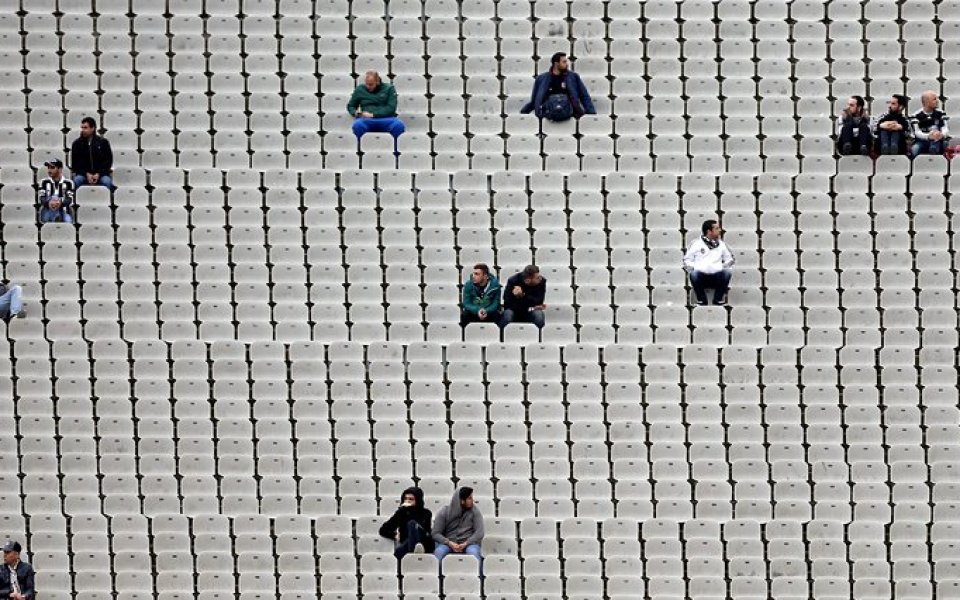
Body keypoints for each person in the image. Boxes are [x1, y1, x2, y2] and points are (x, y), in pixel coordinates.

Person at [520, 52, 596, 122]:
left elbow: (584, 95)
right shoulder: (541, 79)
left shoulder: (573, 77)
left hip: (570, 116)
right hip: (548, 117)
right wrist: (523, 112)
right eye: (564, 62)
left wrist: (591, 114)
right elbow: (535, 100)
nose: (567, 64)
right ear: (556, 63)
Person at [683, 220, 736, 307]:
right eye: (717, 228)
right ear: (709, 231)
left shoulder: (722, 244)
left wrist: (720, 267)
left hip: (716, 277)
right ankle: (702, 300)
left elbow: (730, 260)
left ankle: (717, 299)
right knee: (694, 274)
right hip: (701, 277)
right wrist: (697, 267)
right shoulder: (696, 244)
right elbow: (686, 260)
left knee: (727, 273)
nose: (720, 230)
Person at [432, 487, 484, 574]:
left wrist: (466, 543)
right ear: (462, 500)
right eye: (469, 498)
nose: (472, 500)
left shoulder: (475, 511)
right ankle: (437, 579)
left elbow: (479, 532)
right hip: (448, 543)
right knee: (439, 552)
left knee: (474, 553)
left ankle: (479, 579)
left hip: (468, 543)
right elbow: (435, 533)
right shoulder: (444, 511)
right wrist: (449, 543)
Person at [347, 71, 405, 143]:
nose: (368, 87)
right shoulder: (360, 89)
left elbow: (391, 108)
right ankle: (360, 149)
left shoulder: (389, 88)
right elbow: (351, 106)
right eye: (366, 84)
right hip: (366, 120)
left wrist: (373, 115)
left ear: (377, 82)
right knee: (358, 125)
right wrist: (355, 113)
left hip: (386, 119)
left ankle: (396, 151)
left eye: (371, 85)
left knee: (398, 125)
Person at [378, 487, 435, 560]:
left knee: (412, 524)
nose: (407, 501)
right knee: (398, 551)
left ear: (417, 500)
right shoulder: (401, 512)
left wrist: (410, 511)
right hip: (407, 543)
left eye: (411, 499)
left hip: (423, 542)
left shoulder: (426, 513)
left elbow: (424, 529)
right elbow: (383, 530)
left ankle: (413, 552)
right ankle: (413, 551)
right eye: (405, 498)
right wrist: (394, 535)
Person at [70, 116, 114, 190]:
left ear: (93, 128)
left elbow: (108, 161)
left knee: (107, 182)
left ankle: (108, 200)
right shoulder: (77, 144)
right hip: (83, 174)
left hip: (101, 174)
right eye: (82, 128)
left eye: (85, 128)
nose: (83, 130)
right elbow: (75, 164)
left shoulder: (103, 142)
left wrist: (98, 174)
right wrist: (86, 174)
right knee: (77, 181)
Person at [502, 265, 547, 329]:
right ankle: (503, 336)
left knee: (539, 316)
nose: (540, 278)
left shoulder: (542, 281)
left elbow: (539, 301)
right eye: (537, 277)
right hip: (514, 310)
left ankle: (538, 337)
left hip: (530, 310)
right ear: (528, 280)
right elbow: (507, 301)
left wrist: (523, 295)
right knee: (508, 315)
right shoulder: (513, 281)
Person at [460, 263, 504, 328]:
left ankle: (497, 336)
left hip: (489, 312)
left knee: (497, 315)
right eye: (473, 273)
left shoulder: (495, 286)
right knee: (465, 314)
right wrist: (478, 310)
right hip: (474, 311)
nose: (473, 276)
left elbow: (496, 304)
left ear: (485, 276)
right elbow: (466, 303)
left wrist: (486, 311)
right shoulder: (468, 285)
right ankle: (465, 336)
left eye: (477, 274)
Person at [910, 90, 949, 156]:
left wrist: (941, 134)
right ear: (927, 102)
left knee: (937, 145)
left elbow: (945, 128)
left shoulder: (941, 113)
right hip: (922, 141)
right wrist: (928, 136)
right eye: (934, 99)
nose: (937, 101)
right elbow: (917, 132)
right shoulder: (916, 115)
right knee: (915, 149)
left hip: (938, 140)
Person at [38, 159, 75, 224]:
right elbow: (41, 198)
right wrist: (49, 202)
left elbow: (70, 199)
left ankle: (57, 217)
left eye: (52, 168)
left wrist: (59, 203)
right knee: (46, 219)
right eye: (48, 168)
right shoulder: (44, 182)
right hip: (48, 209)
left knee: (68, 220)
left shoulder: (69, 183)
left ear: (60, 169)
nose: (49, 170)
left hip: (63, 210)